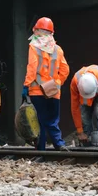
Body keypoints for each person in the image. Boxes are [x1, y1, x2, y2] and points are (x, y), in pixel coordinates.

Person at [22, 17, 70, 151]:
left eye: (36, 30)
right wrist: (57, 83)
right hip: (54, 91)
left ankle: (41, 149)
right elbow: (65, 70)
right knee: (53, 120)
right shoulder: (58, 49)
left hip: (37, 91)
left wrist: (26, 85)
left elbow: (32, 68)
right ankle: (59, 144)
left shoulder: (34, 47)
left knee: (40, 122)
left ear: (38, 31)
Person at [70, 65, 98, 146]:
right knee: (84, 116)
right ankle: (87, 142)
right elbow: (75, 108)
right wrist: (80, 132)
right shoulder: (75, 82)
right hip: (83, 94)